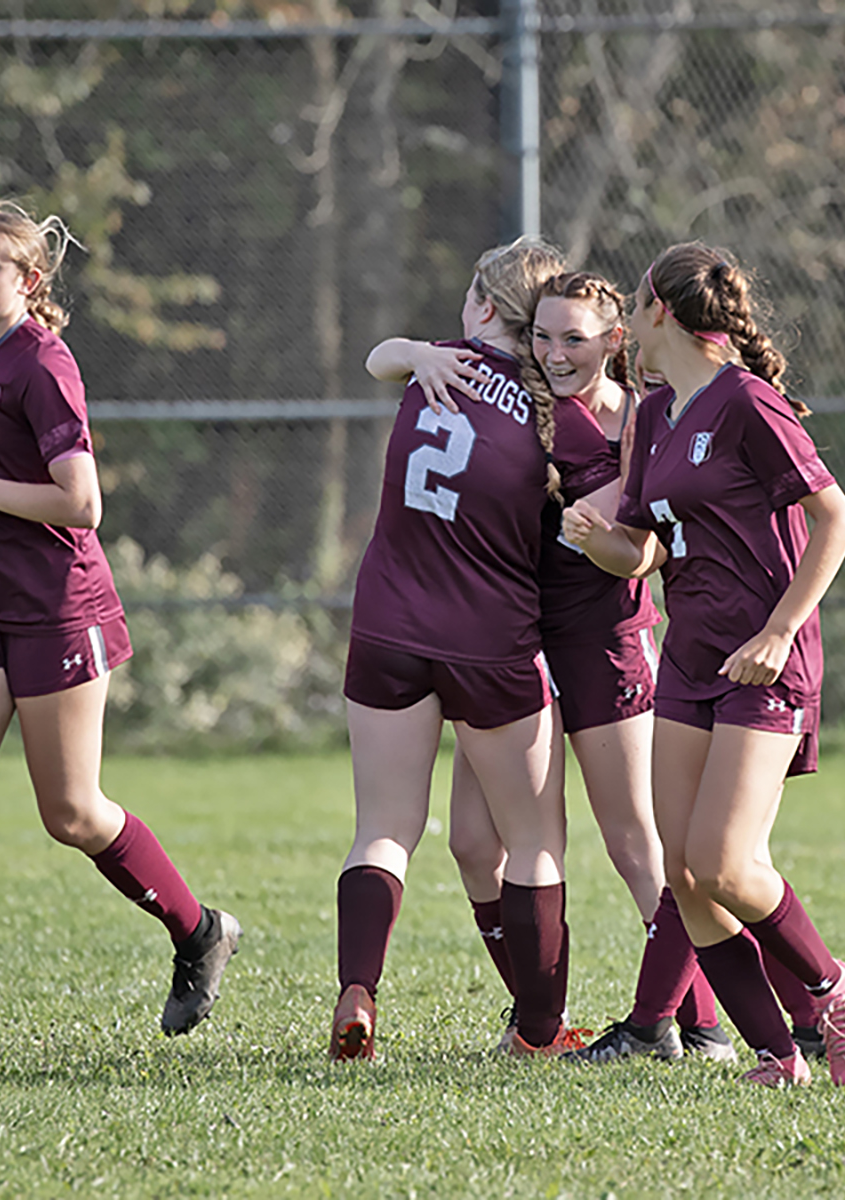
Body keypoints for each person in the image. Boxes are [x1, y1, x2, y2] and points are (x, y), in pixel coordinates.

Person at [0, 200, 240, 1045]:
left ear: (29, 280)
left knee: (70, 813)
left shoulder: (43, 362)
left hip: (56, 606)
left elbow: (79, 501)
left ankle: (200, 931)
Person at [372, 270, 735, 1063]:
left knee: (638, 846)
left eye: (575, 338)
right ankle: (536, 1015)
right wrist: (411, 352)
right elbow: (394, 369)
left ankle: (698, 1024)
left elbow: (640, 554)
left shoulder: (641, 418)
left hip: (602, 642)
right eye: (542, 335)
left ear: (616, 340)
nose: (555, 352)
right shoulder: (530, 407)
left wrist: (594, 530)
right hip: (515, 643)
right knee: (472, 841)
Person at [562, 242, 845, 1087]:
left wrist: (778, 632)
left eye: (633, 299)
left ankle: (833, 988)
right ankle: (780, 1056)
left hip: (763, 659)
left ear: (662, 309)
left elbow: (837, 521)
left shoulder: (747, 402)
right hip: (691, 655)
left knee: (727, 864)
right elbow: (642, 555)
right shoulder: (655, 416)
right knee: (685, 874)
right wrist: (597, 541)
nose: (626, 314)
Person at [334, 235, 606, 1061]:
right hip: (490, 639)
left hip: (385, 625)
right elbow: (620, 495)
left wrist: (419, 350)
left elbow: (381, 357)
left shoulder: (435, 364)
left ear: (483, 308)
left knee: (384, 828)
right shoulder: (558, 413)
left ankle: (359, 994)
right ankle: (540, 1031)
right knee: (534, 841)